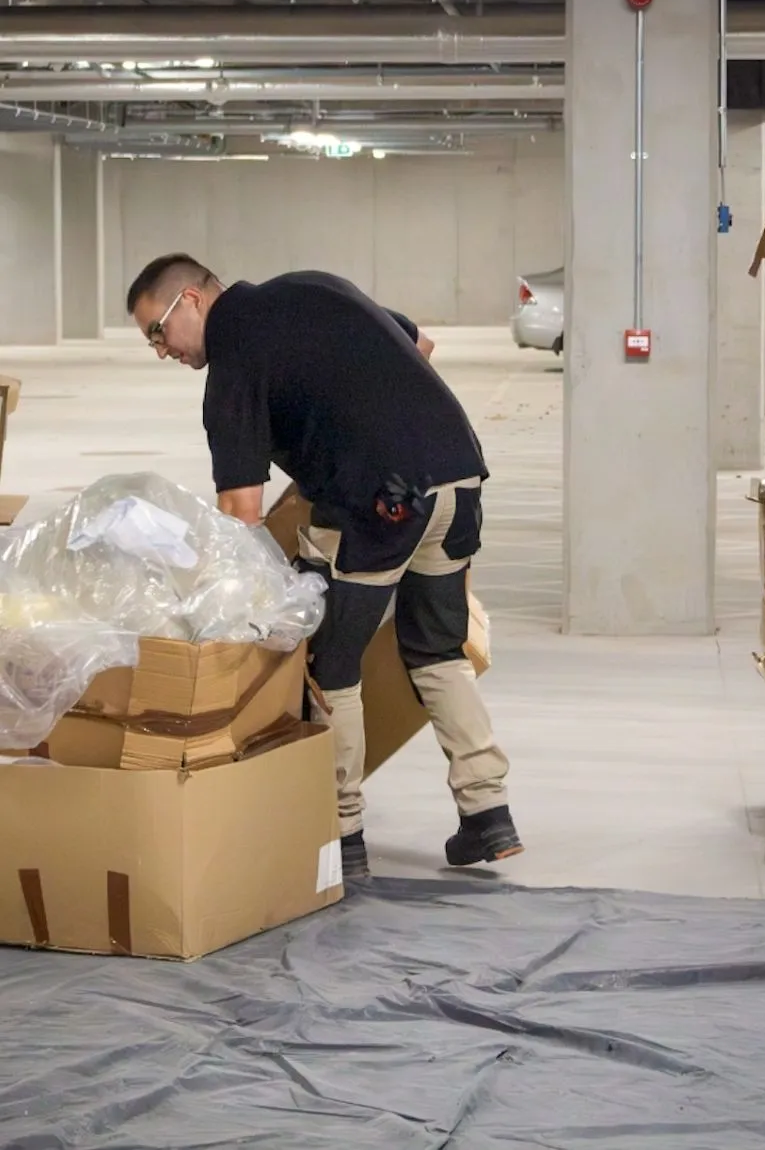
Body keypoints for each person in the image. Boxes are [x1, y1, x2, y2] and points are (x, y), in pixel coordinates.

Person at [126, 255, 522, 879]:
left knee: (328, 666)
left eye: (157, 332)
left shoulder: (233, 362)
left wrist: (223, 604)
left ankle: (342, 833)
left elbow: (240, 512)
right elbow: (419, 342)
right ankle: (487, 814)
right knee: (437, 649)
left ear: (194, 302)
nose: (159, 351)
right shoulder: (313, 287)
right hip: (459, 476)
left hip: (379, 505)